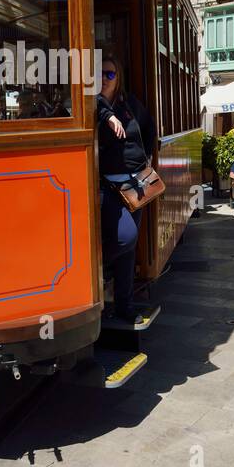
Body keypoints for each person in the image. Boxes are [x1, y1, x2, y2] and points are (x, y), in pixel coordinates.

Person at [96, 52, 156, 324]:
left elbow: (148, 128)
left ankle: (124, 304)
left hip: (136, 183)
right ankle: (93, 272)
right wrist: (107, 116)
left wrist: (149, 159)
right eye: (99, 73)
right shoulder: (90, 105)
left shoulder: (130, 103)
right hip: (107, 186)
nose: (104, 78)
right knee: (126, 237)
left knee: (129, 249)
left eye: (110, 74)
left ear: (118, 77)